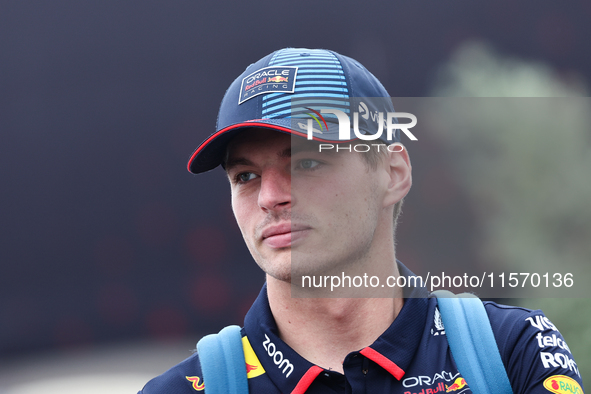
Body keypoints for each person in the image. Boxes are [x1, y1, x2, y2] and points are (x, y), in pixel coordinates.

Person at [139, 48, 583, 394]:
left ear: (393, 174)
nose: (271, 197)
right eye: (246, 176)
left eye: (308, 163)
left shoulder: (512, 351)